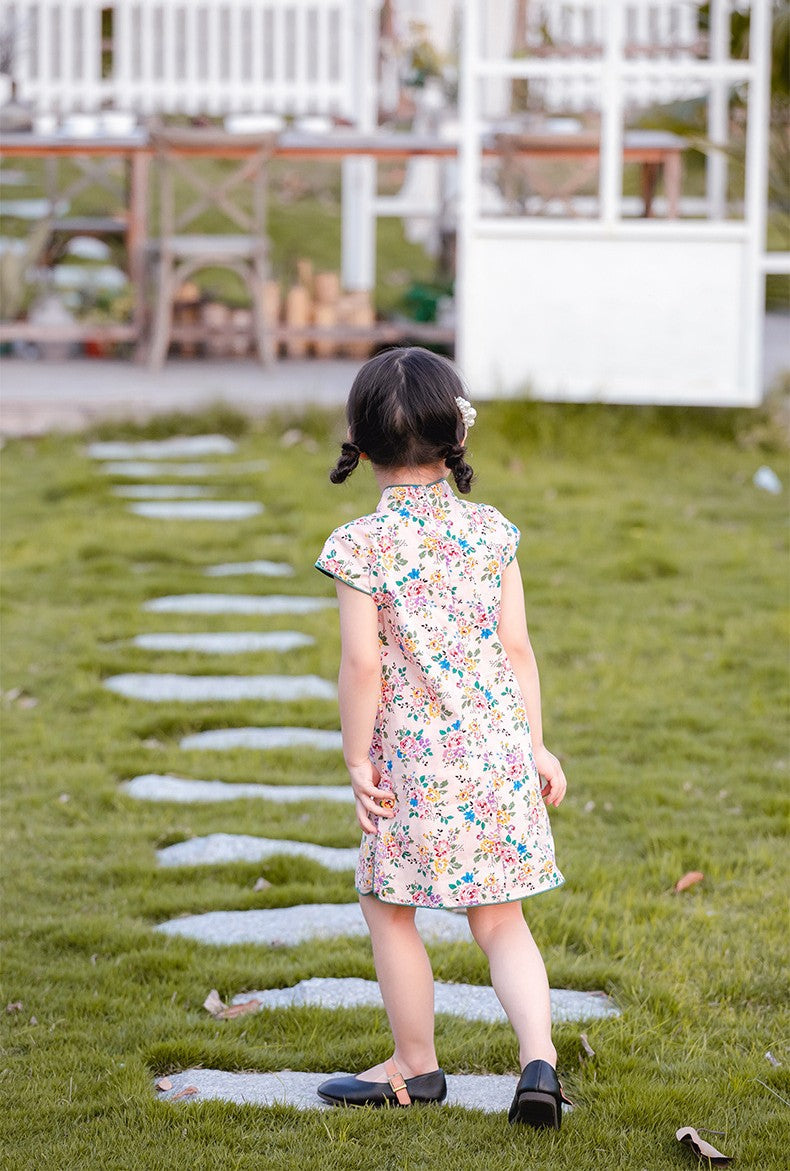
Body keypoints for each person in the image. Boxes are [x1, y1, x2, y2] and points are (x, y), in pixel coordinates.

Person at [313, 347, 568, 1128]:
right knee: (501, 919)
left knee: (387, 904)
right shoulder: (491, 531)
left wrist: (354, 755)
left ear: (359, 443)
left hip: (414, 766)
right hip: (496, 757)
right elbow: (517, 648)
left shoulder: (362, 544)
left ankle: (415, 1064)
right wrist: (536, 745)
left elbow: (362, 664)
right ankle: (539, 1061)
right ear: (457, 434)